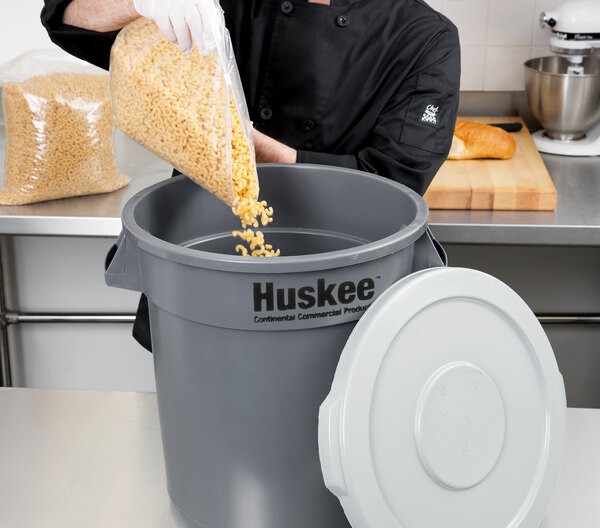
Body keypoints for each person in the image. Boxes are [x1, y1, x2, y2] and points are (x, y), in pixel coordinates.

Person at [41, 0, 460, 351]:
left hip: (336, 298)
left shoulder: (424, 38)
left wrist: (236, 140)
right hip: (200, 276)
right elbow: (66, 17)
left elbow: (391, 187)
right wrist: (139, 1)